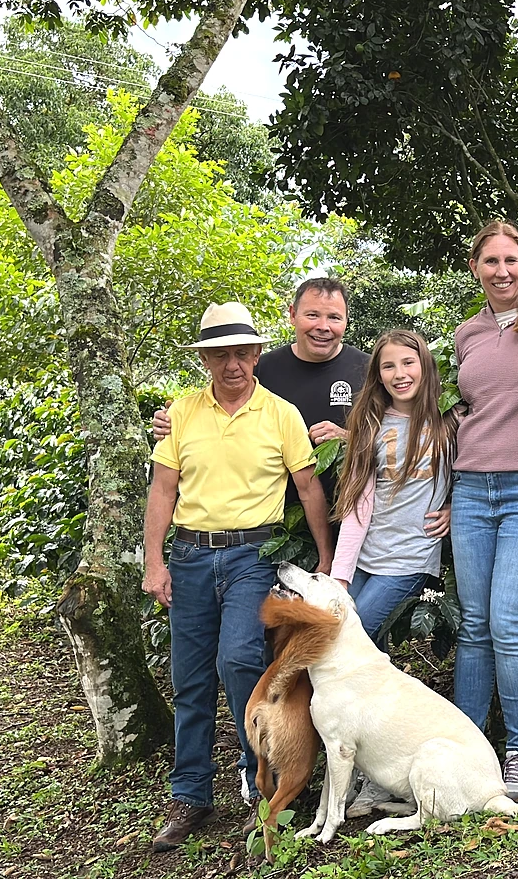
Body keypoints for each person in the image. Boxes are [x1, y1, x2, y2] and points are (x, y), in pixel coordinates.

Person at [143, 301, 335, 852]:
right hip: (191, 556)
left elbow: (309, 487)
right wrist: (154, 562)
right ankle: (191, 795)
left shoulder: (281, 414)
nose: (232, 364)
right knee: (191, 679)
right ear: (206, 359)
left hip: (253, 555)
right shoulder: (181, 413)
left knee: (240, 659)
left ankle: (261, 781)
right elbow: (162, 490)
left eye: (241, 353)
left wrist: (325, 559)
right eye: (219, 354)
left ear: (257, 354)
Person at [448, 221, 518, 802]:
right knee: (474, 623)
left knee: (509, 620)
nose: (502, 271)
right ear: (476, 269)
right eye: (490, 261)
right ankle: (465, 745)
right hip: (470, 489)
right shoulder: (467, 333)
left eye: (512, 260)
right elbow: (462, 407)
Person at [153, 276, 371, 506]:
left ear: (346, 321)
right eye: (313, 315)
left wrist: (350, 438)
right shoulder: (258, 368)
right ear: (293, 315)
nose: (323, 327)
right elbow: (212, 409)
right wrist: (169, 421)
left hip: (352, 515)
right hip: (275, 527)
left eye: (334, 317)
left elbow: (401, 441)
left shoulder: (371, 372)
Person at [328, 329, 455, 642]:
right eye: (389, 366)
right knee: (338, 637)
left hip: (410, 559)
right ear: (379, 376)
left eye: (408, 363)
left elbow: (474, 475)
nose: (400, 374)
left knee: (352, 639)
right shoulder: (372, 424)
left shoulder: (450, 420)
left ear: (424, 365)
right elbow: (357, 502)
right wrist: (341, 575)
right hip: (367, 557)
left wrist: (455, 508)